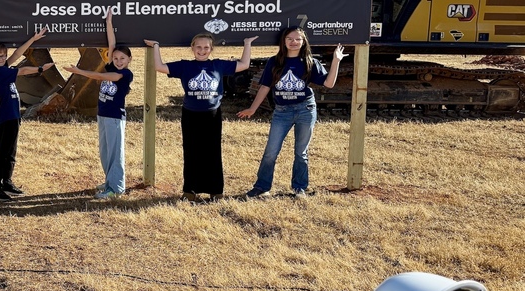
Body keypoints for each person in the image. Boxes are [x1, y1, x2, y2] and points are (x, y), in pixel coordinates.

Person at [145, 34, 257, 200]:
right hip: (190, 114)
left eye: (206, 47)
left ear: (211, 49)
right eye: (198, 47)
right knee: (191, 151)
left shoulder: (218, 64)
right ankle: (190, 190)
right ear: (192, 48)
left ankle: (216, 191)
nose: (202, 50)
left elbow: (244, 64)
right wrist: (155, 46)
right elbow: (160, 66)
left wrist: (247, 44)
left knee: (213, 151)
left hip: (212, 113)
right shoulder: (185, 66)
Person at [237, 27, 346, 198]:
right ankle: (262, 187)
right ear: (283, 41)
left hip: (305, 109)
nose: (293, 42)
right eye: (289, 38)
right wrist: (253, 108)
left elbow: (329, 83)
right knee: (271, 152)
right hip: (282, 112)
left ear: (304, 42)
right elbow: (265, 86)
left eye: (298, 39)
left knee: (301, 152)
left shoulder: (310, 62)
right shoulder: (274, 62)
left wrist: (336, 61)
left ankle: (299, 188)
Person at [63, 11, 132, 199]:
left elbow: (100, 76)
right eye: (116, 58)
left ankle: (116, 188)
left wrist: (79, 71)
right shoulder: (112, 64)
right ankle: (109, 181)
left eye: (122, 59)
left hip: (115, 117)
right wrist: (108, 22)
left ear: (129, 61)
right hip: (103, 115)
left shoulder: (125, 75)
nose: (118, 61)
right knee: (105, 151)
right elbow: (111, 44)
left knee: (115, 153)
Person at [0, 28, 53, 201]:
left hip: (14, 115)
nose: (1, 59)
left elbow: (16, 54)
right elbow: (21, 71)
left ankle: (7, 182)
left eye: (3, 56)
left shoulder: (2, 67)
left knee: (11, 151)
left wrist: (33, 39)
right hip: (6, 116)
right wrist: (40, 69)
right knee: (2, 153)